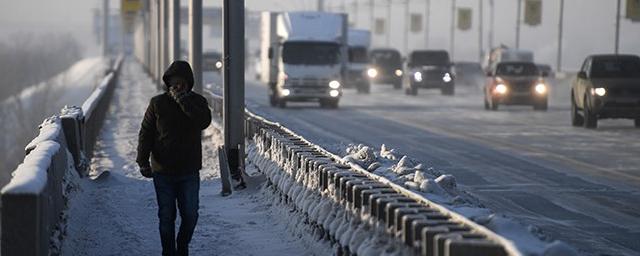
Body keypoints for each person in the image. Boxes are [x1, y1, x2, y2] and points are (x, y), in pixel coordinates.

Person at [136, 60, 212, 256]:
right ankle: (168, 252)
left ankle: (182, 244)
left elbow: (204, 122)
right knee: (166, 216)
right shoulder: (157, 103)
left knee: (191, 215)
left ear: (189, 83)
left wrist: (184, 101)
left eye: (181, 83)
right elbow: (146, 133)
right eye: (174, 83)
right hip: (163, 171)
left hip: (189, 170)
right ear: (168, 83)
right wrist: (142, 161)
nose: (177, 86)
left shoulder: (197, 102)